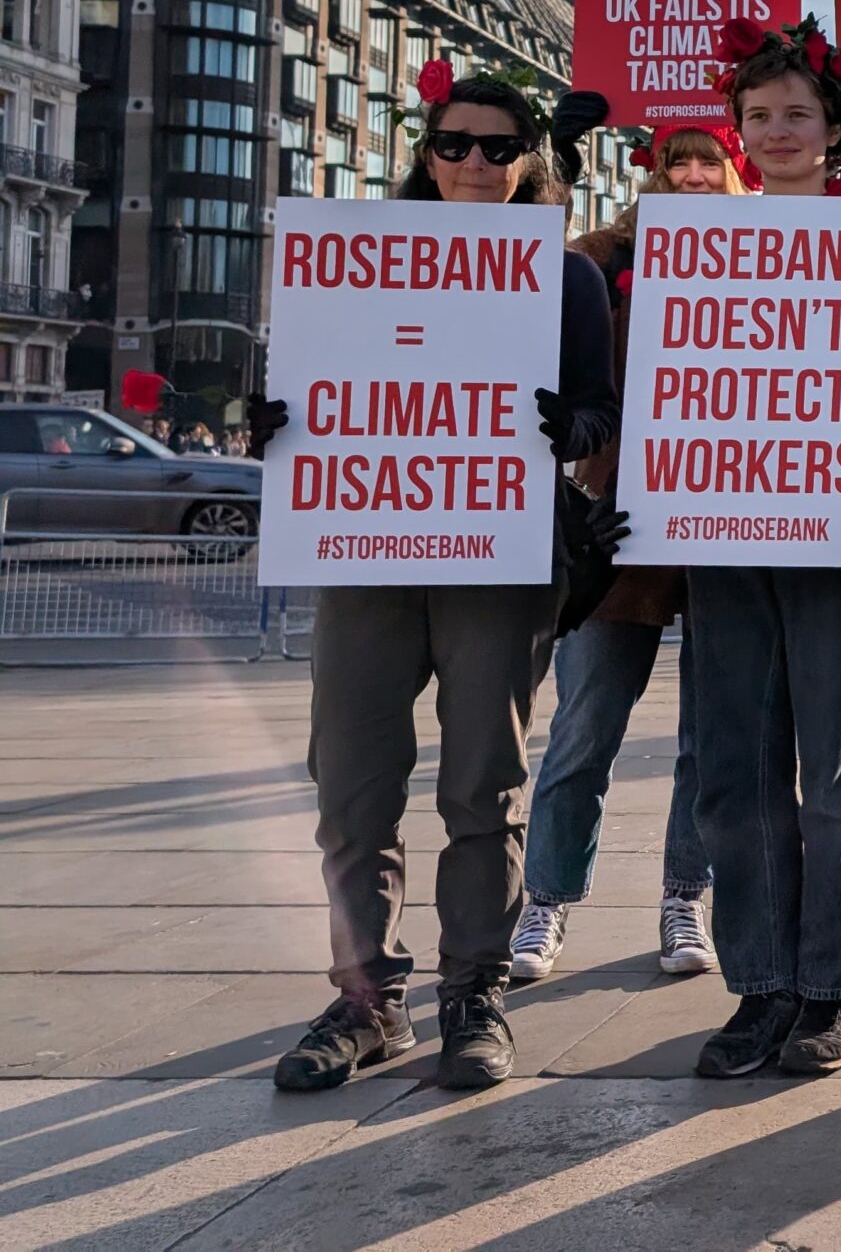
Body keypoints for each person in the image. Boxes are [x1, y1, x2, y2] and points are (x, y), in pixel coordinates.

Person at [263, 67, 620, 1093]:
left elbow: (599, 410)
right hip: (368, 546)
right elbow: (311, 382)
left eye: (499, 147)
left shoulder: (565, 279)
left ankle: (476, 988)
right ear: (427, 154)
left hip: (496, 554)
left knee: (484, 786)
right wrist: (273, 422)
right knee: (352, 785)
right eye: (455, 142)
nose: (475, 161)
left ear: (528, 163)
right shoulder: (356, 260)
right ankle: (367, 997)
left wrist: (570, 425)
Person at [687, 18, 841, 1079]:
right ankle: (759, 980)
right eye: (758, 115)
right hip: (723, 533)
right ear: (737, 132)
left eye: (798, 113)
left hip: (835, 537)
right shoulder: (690, 248)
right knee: (733, 773)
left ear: (836, 132)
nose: (778, 129)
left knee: (832, 769)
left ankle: (830, 981)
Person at [510, 124, 752, 984]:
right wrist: (553, 163)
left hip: (736, 517)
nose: (690, 176)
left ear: (736, 175)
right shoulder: (604, 253)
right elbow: (510, 275)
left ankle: (686, 896)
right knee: (585, 727)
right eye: (675, 162)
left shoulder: (777, 248)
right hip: (618, 518)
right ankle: (546, 901)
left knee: (711, 738)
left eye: (708, 162)